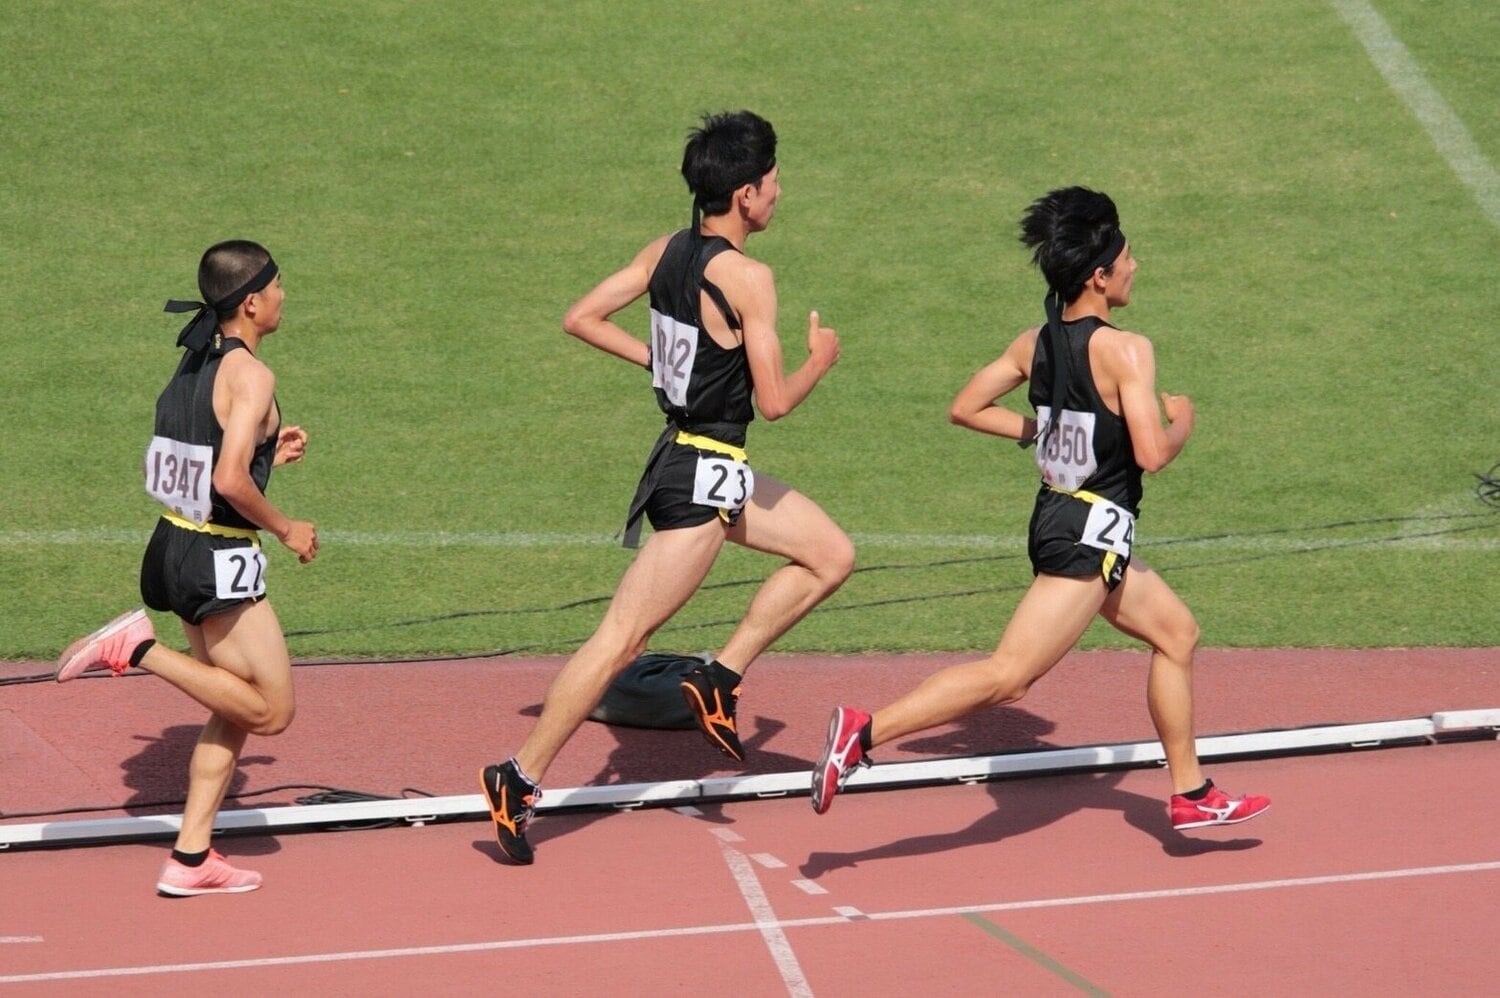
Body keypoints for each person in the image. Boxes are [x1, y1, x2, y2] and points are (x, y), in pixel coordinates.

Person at [811, 187, 1269, 832]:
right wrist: (1184, 422)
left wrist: (1039, 429)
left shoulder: (1035, 343)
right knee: (1010, 677)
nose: (1136, 266)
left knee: (1176, 634)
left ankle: (1191, 791)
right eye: (1127, 258)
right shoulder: (1126, 349)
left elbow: (966, 408)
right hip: (1087, 535)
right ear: (1099, 275)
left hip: (1067, 522)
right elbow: (1151, 454)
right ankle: (863, 732)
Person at [480, 110, 854, 864]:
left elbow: (582, 317)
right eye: (774, 181)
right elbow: (774, 402)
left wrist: (658, 359)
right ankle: (517, 775)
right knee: (623, 639)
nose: (780, 192)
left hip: (711, 469)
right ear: (745, 194)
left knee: (830, 555)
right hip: (698, 482)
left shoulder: (665, 251)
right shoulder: (748, 278)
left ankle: (720, 676)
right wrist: (821, 358)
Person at [55, 239, 318, 895]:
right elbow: (228, 479)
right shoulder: (252, 375)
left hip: (172, 544)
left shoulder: (195, 358)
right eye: (278, 286)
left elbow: (200, 453)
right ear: (252, 302)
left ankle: (191, 859)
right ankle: (137, 647)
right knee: (272, 712)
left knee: (232, 706)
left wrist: (267, 451)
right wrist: (286, 528)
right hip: (217, 557)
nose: (284, 296)